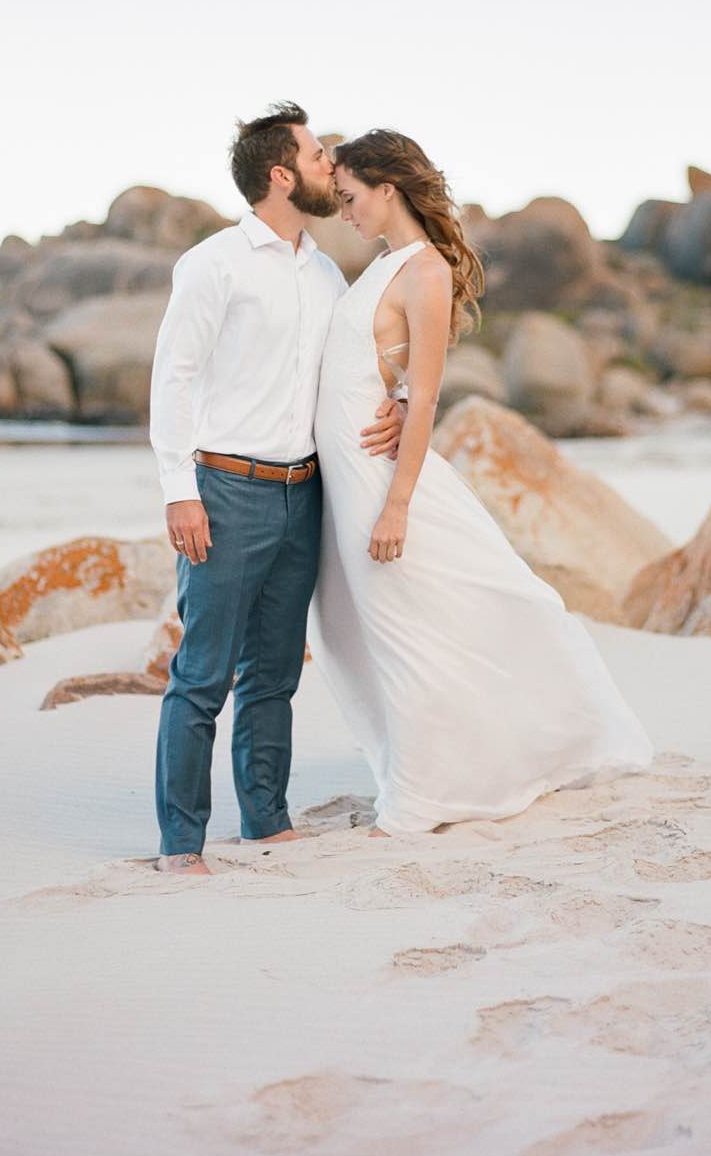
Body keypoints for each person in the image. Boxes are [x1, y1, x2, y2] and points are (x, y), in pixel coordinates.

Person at [307, 129, 654, 835]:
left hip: (382, 485)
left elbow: (428, 395)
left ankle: (425, 793)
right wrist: (393, 399)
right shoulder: (381, 266)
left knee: (410, 632)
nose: (345, 211)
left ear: (387, 187)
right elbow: (382, 375)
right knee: (352, 634)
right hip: (346, 481)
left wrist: (397, 505)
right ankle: (427, 766)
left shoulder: (425, 272)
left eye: (349, 198)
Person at [149, 105, 404, 876]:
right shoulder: (213, 263)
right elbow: (174, 376)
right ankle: (181, 844)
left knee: (274, 675)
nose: (334, 166)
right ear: (280, 174)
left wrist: (394, 407)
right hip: (226, 490)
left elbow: (349, 371)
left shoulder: (324, 272)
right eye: (318, 154)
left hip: (305, 494)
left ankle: (266, 819)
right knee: (201, 677)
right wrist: (177, 489)